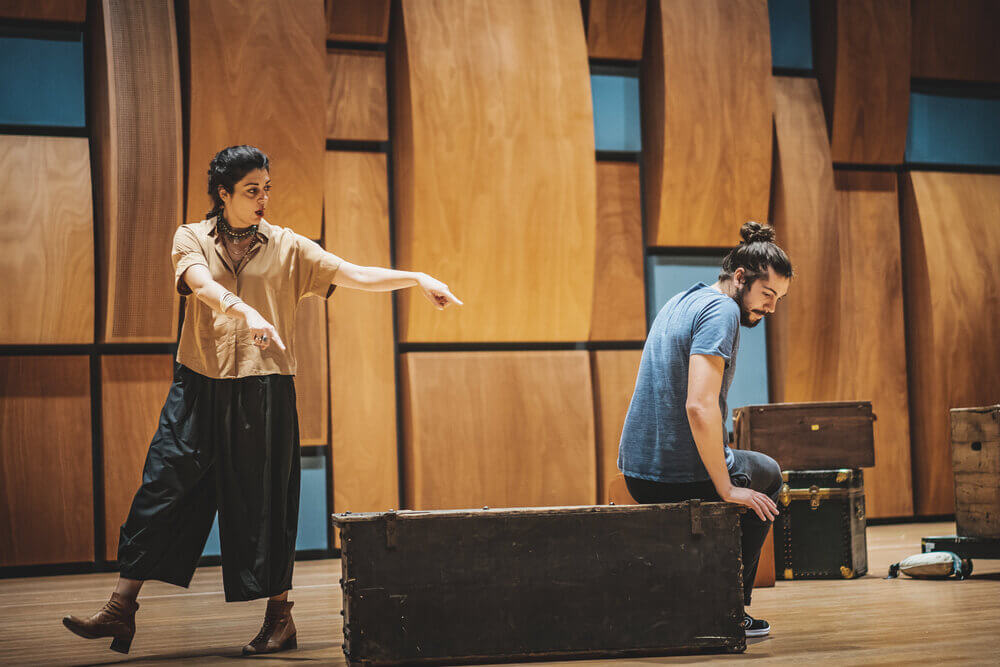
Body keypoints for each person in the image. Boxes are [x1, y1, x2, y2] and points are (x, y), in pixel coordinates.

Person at [62, 145, 462, 656]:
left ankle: (280, 617)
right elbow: (198, 283)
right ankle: (122, 609)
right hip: (199, 385)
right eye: (252, 190)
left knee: (265, 502)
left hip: (264, 388)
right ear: (223, 193)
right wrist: (245, 312)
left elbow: (353, 273)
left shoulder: (290, 247)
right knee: (162, 486)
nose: (263, 198)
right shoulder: (191, 237)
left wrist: (417, 278)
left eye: (267, 188)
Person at [617, 221, 792, 638]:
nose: (771, 308)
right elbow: (699, 405)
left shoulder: (684, 299)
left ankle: (696, 595)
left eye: (779, 299)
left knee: (749, 467)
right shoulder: (723, 312)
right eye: (767, 295)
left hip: (639, 472)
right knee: (766, 475)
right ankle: (727, 609)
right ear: (740, 278)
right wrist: (728, 489)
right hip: (675, 475)